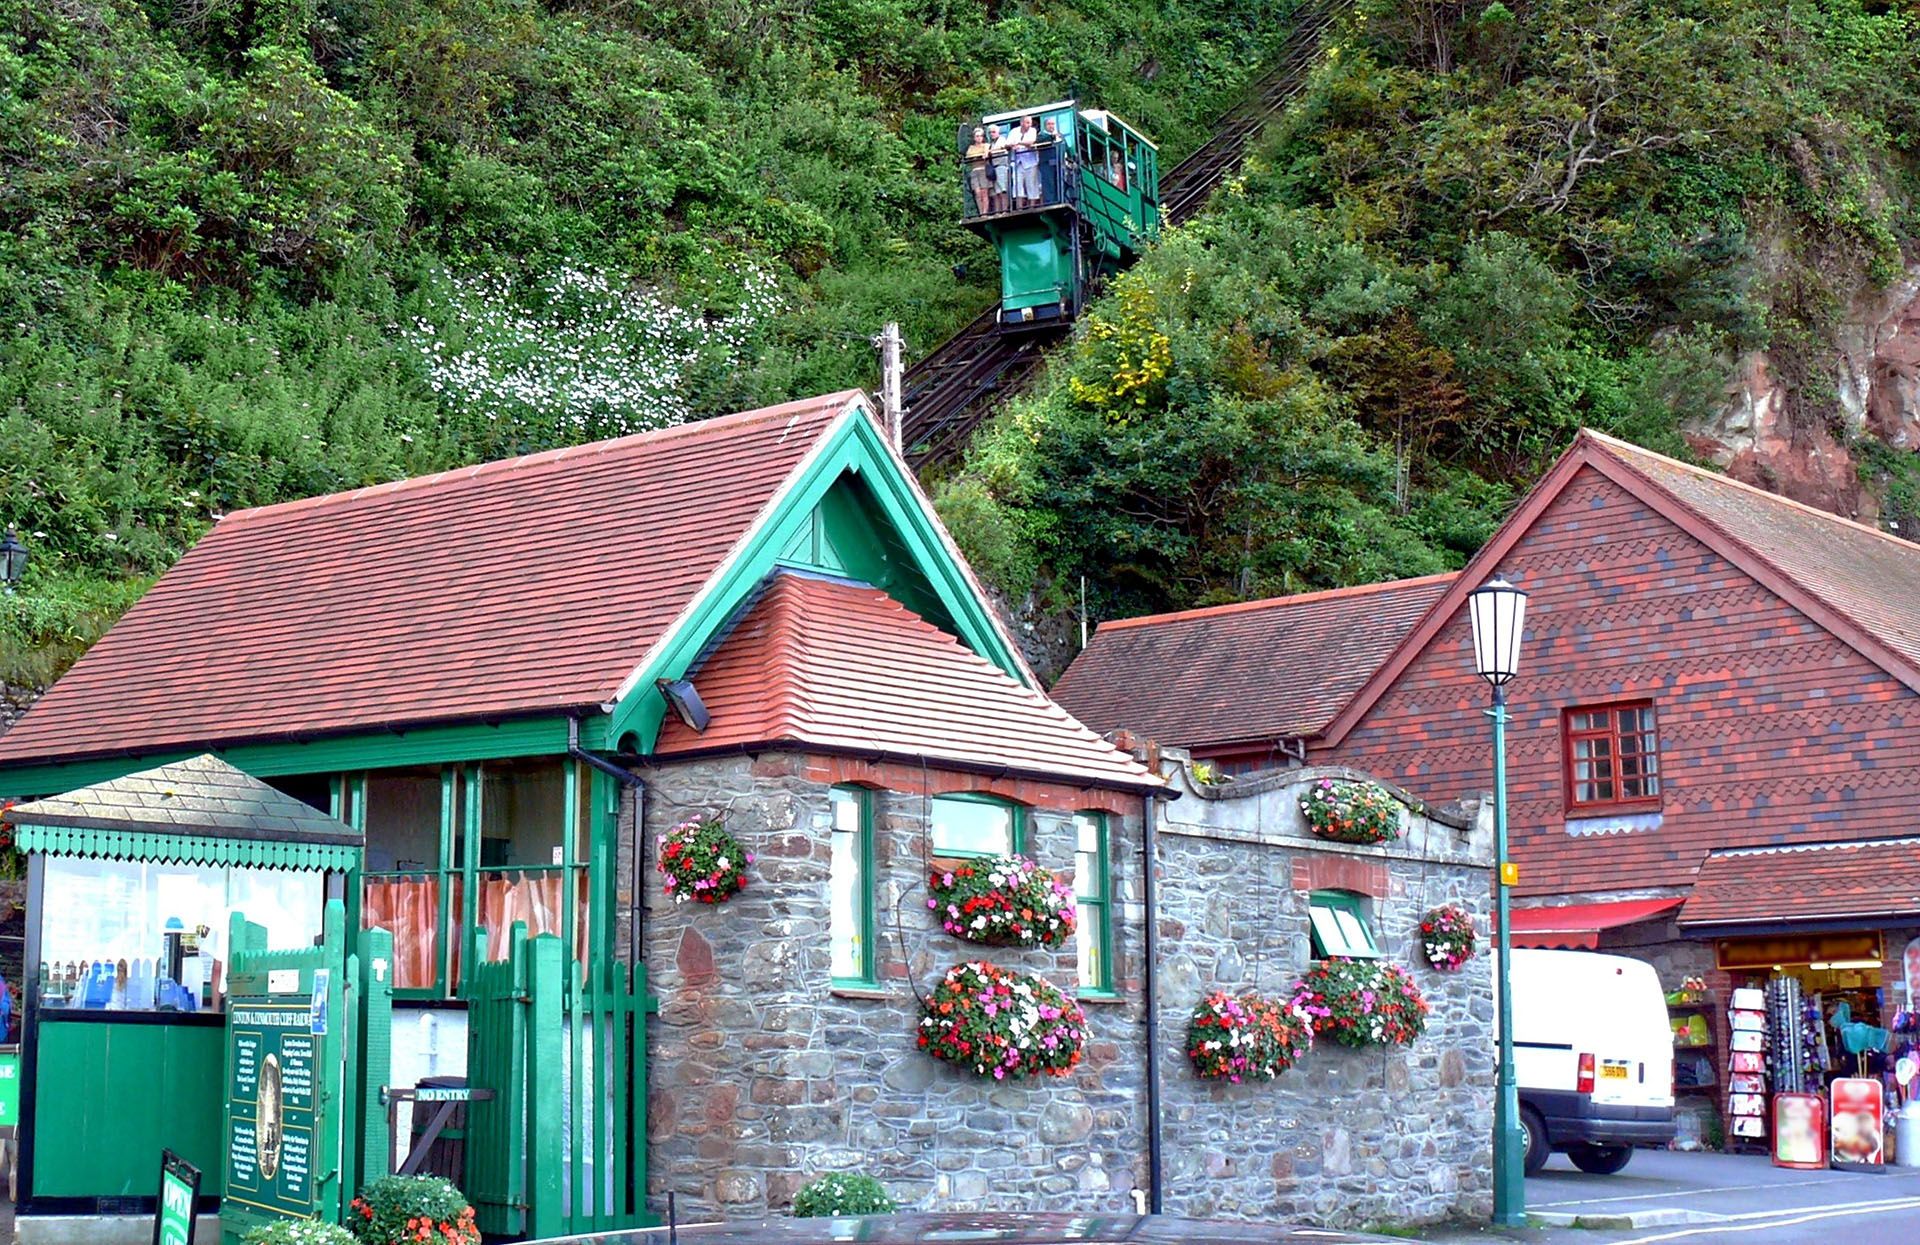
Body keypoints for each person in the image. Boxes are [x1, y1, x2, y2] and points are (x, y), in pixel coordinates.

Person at [1011, 115, 1041, 208]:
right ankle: (1019, 208)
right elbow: (1008, 143)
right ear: (1022, 123)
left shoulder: (1032, 130)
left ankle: (1032, 207)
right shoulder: (1014, 131)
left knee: (1031, 184)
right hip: (1017, 162)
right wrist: (1011, 146)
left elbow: (1031, 142)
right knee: (1017, 184)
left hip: (1030, 161)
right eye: (1027, 122)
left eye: (1030, 123)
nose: (1029, 125)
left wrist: (1019, 143)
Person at [963, 126, 992, 216]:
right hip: (974, 171)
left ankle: (985, 213)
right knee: (977, 193)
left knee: (984, 192)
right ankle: (980, 212)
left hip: (983, 169)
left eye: (981, 136)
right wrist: (977, 155)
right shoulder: (971, 147)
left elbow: (986, 153)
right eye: (977, 136)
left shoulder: (986, 145)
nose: (979, 138)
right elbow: (969, 156)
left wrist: (981, 155)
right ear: (974, 138)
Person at [987, 124, 1010, 214]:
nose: (991, 134)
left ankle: (1005, 210)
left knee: (1003, 189)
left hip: (1001, 166)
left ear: (998, 132)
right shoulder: (992, 143)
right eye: (990, 132)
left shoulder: (1002, 140)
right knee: (997, 191)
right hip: (995, 167)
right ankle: (998, 211)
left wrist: (989, 152)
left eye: (993, 132)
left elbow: (1000, 148)